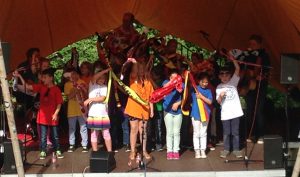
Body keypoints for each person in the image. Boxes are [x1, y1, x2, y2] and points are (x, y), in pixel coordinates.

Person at [13, 68, 64, 159]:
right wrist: (19, 76)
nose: (43, 79)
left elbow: (59, 103)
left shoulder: (56, 89)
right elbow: (27, 86)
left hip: (52, 117)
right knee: (43, 136)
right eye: (42, 77)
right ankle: (43, 151)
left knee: (55, 135)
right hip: (42, 117)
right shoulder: (41, 87)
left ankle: (57, 150)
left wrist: (56, 113)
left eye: (45, 77)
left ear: (51, 78)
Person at [124, 61, 154, 160]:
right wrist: (136, 63)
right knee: (134, 128)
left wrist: (152, 109)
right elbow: (134, 71)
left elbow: (151, 97)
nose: (141, 71)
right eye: (139, 69)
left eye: (142, 69)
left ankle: (144, 150)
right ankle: (133, 151)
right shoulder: (133, 78)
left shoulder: (148, 82)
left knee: (143, 131)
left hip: (145, 109)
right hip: (133, 108)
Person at [244, 34, 270, 144]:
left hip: (260, 86)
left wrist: (262, 76)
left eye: (254, 44)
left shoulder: (264, 55)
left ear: (259, 44)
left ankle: (261, 135)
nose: (252, 46)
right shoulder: (247, 55)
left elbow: (268, 71)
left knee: (258, 111)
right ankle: (251, 134)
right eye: (250, 43)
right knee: (249, 110)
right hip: (249, 85)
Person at [216, 58, 243, 159]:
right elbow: (218, 101)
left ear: (230, 76)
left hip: (236, 112)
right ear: (219, 76)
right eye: (222, 74)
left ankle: (236, 149)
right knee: (226, 133)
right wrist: (221, 96)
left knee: (235, 132)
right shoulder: (219, 87)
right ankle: (226, 149)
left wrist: (233, 59)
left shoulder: (233, 83)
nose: (224, 76)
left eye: (226, 74)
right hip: (226, 114)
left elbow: (237, 68)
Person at [84, 68, 112, 152]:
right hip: (93, 114)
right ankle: (95, 152)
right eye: (100, 77)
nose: (102, 79)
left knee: (106, 133)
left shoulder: (105, 87)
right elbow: (94, 77)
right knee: (94, 134)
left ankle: (110, 152)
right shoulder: (92, 85)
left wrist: (90, 99)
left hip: (103, 114)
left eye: (104, 78)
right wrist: (104, 70)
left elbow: (102, 98)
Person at [64, 69, 89, 153]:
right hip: (71, 109)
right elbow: (69, 97)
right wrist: (75, 88)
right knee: (72, 128)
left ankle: (85, 144)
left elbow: (86, 94)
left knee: (83, 127)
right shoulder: (67, 84)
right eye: (72, 74)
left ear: (78, 75)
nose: (74, 76)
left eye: (75, 74)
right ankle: (72, 144)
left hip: (82, 109)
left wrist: (80, 88)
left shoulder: (82, 82)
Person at [190, 72, 213, 159]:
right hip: (195, 114)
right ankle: (197, 151)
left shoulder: (208, 91)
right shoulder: (194, 89)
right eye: (203, 82)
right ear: (199, 81)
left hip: (205, 114)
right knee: (196, 133)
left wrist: (201, 97)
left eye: (206, 82)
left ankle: (203, 150)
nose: (204, 84)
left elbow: (210, 102)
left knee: (203, 133)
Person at [162, 70, 183, 160]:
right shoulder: (166, 82)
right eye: (173, 77)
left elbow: (185, 96)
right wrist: (172, 82)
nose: (175, 79)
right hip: (168, 110)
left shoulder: (181, 84)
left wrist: (178, 103)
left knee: (176, 132)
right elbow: (164, 87)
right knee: (169, 132)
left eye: (177, 77)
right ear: (170, 78)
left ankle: (176, 151)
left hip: (178, 111)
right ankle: (169, 151)